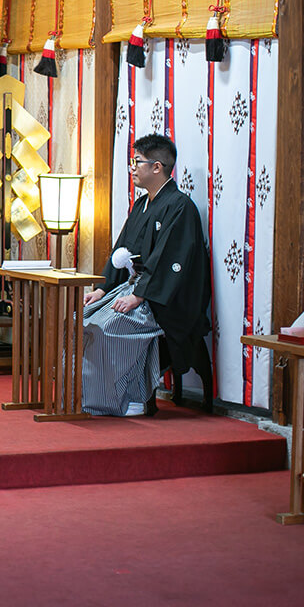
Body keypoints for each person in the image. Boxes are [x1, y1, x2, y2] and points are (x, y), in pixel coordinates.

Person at [81, 133, 212, 416]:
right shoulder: (141, 205)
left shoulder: (181, 207)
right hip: (136, 288)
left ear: (157, 167)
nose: (132, 168)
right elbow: (122, 248)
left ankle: (133, 397)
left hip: (165, 297)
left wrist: (139, 296)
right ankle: (94, 397)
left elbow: (172, 262)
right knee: (85, 319)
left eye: (137, 162)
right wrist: (102, 289)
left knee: (109, 327)